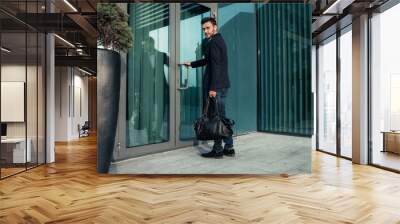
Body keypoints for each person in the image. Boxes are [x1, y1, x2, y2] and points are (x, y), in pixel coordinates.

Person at [182, 17, 235, 159]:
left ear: (215, 27)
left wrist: (213, 88)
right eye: (203, 29)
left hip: (216, 87)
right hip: (222, 85)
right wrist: (192, 64)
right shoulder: (217, 40)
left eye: (208, 28)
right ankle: (229, 147)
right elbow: (208, 61)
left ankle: (218, 150)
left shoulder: (215, 42)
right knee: (221, 118)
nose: (205, 31)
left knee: (215, 118)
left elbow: (216, 67)